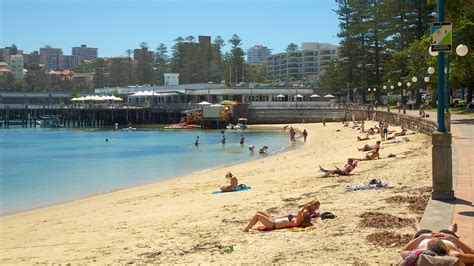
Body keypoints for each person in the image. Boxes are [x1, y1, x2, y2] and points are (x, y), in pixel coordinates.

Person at [400, 221, 474, 265]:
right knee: (446, 231)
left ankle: (418, 228)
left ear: (428, 250)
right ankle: (451, 229)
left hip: (424, 238)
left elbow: (403, 251)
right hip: (448, 239)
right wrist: (453, 238)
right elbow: (472, 254)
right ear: (446, 250)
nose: (436, 237)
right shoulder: (454, 254)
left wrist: (422, 237)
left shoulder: (420, 253)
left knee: (422, 231)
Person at [242, 200, 320, 232]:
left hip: (273, 224)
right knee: (259, 212)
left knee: (257, 215)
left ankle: (246, 229)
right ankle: (249, 227)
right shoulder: (299, 219)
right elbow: (299, 211)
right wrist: (306, 206)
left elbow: (300, 211)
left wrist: (305, 206)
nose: (304, 213)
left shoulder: (298, 222)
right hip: (273, 221)